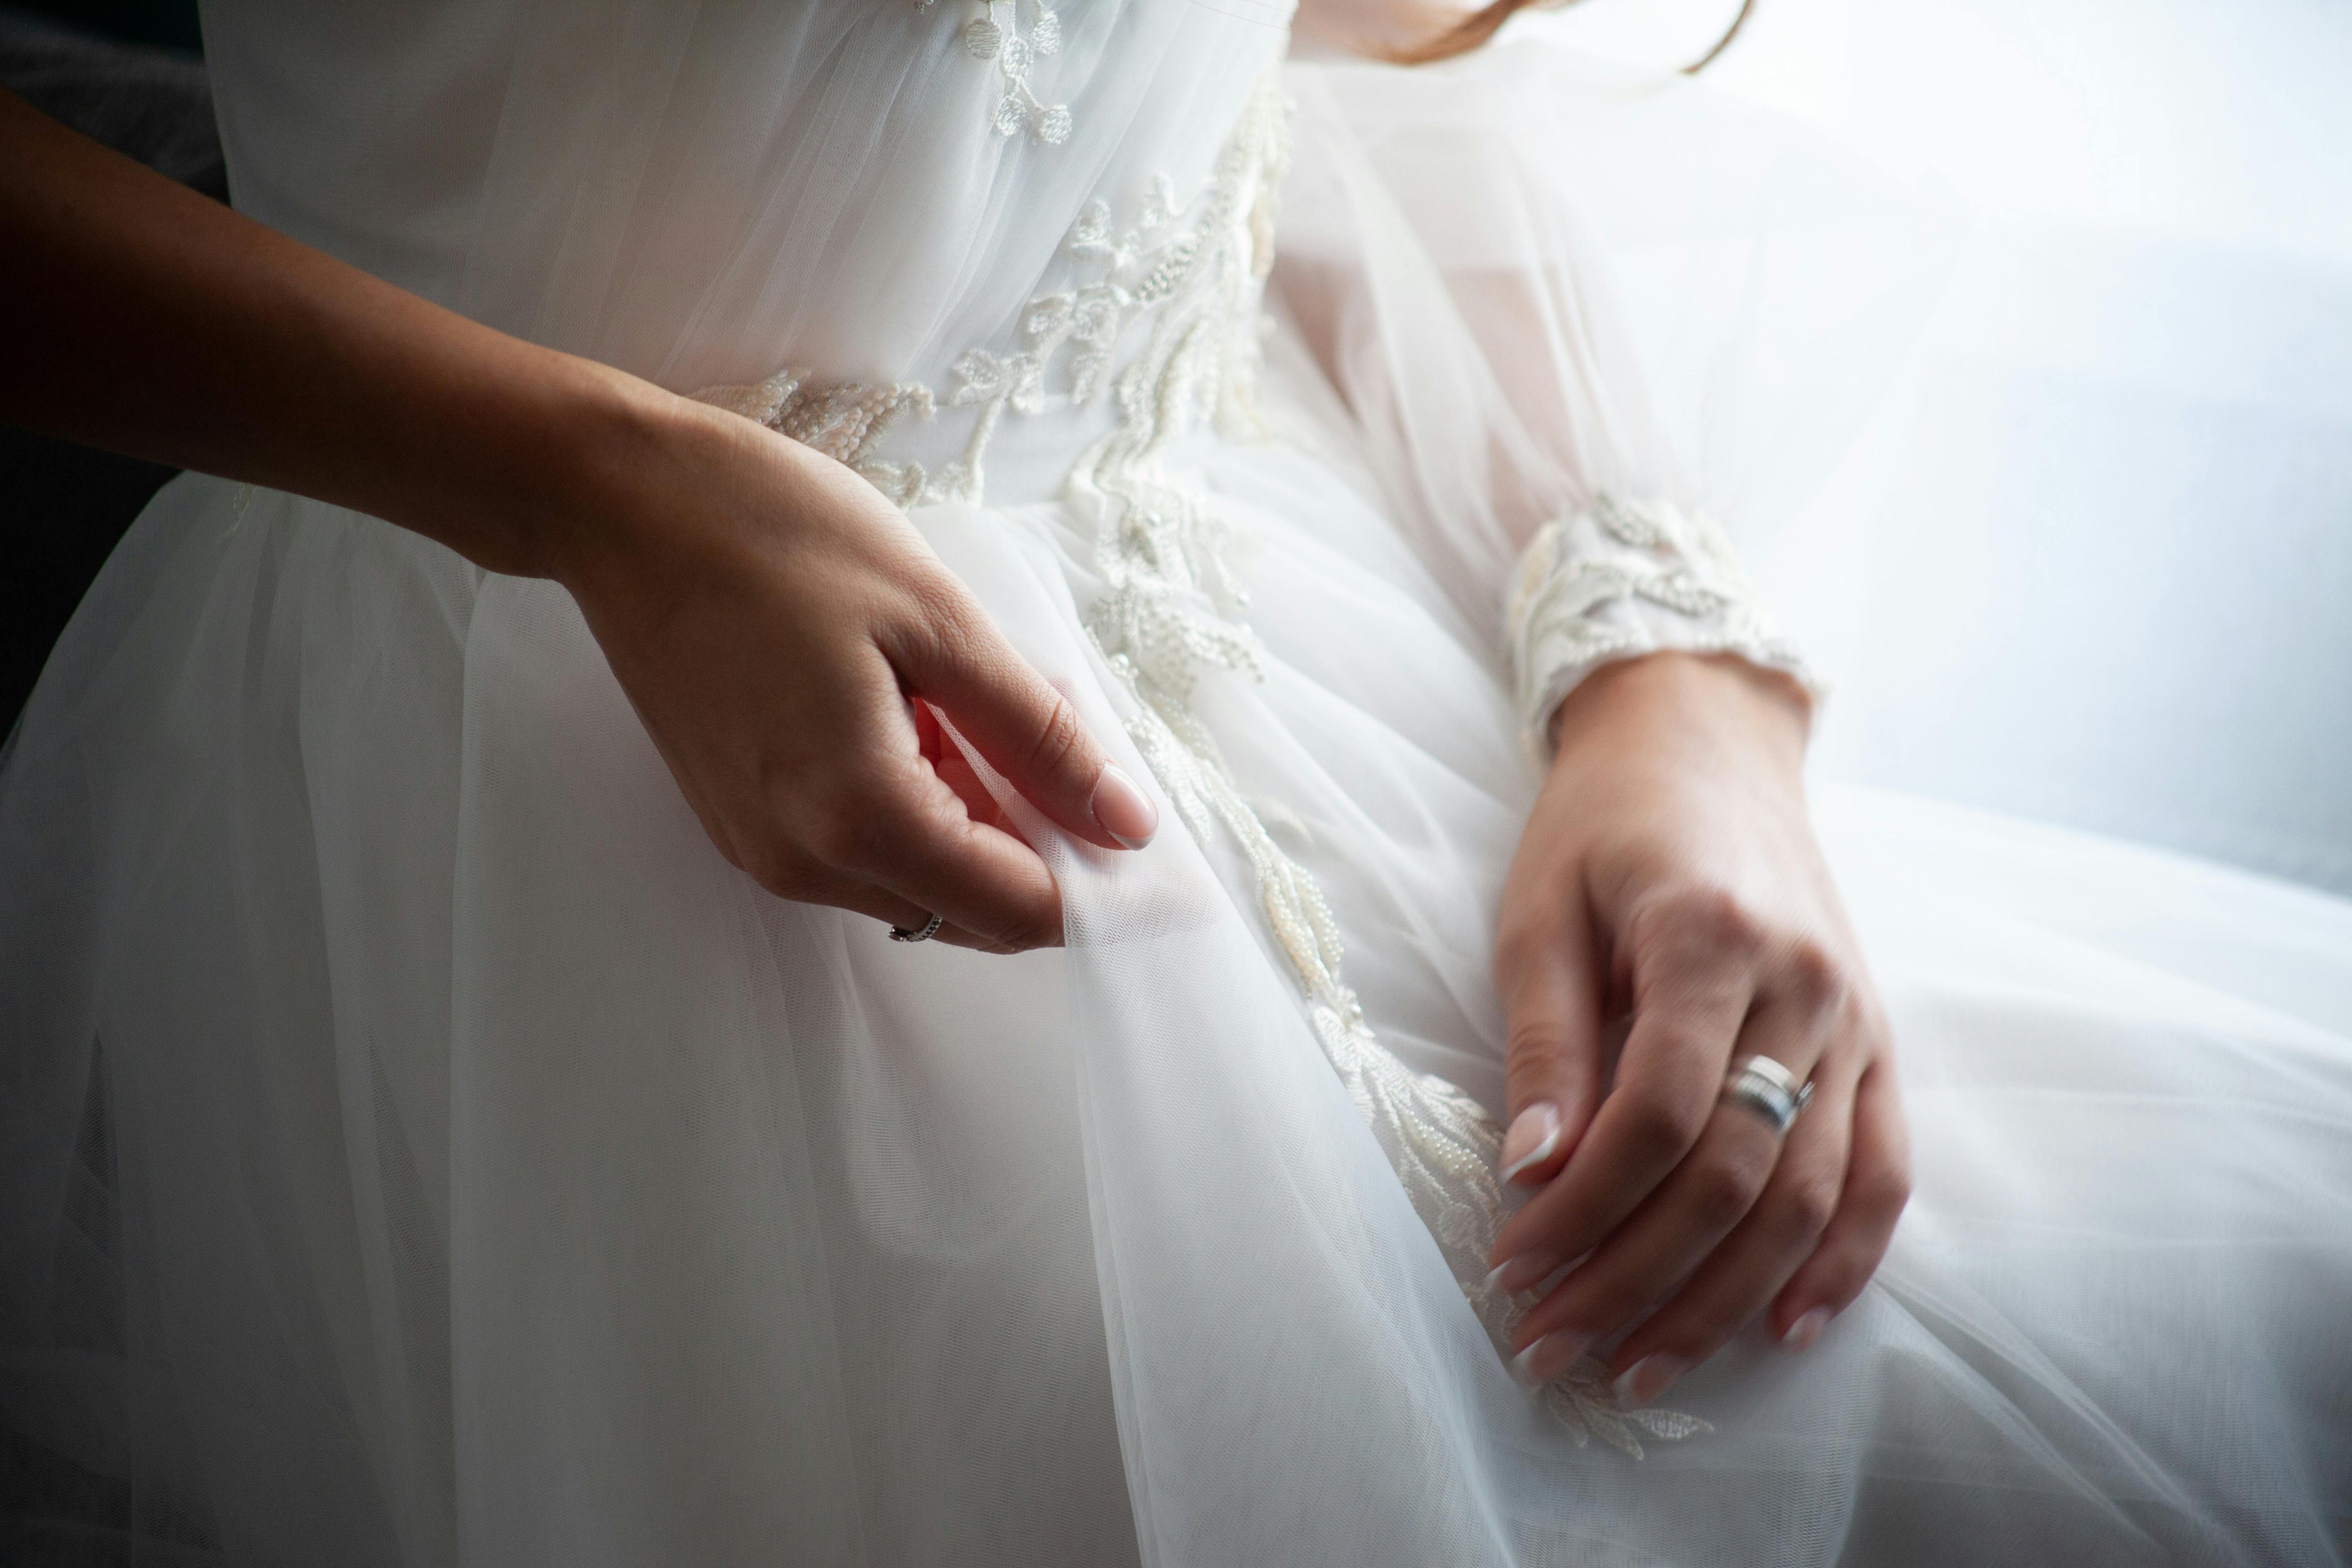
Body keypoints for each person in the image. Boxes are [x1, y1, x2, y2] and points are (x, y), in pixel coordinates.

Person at [1, 2, 2345, 1562]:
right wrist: (580, 481)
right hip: (627, 811)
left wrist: (1665, 675)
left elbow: (1350, 67)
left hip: (1346, 632)